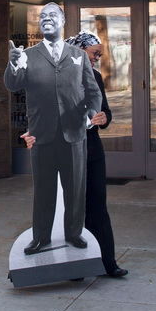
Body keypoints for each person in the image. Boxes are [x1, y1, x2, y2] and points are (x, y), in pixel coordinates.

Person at [4, 3, 100, 255]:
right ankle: (41, 237)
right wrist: (13, 64)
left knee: (75, 187)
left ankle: (74, 233)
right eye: (43, 16)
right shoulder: (29, 55)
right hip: (41, 133)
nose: (47, 19)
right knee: (44, 189)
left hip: (74, 132)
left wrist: (90, 116)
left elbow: (92, 92)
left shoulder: (78, 56)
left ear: (62, 21)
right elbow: (13, 84)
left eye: (52, 16)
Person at [67, 32, 128, 278]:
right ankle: (73, 265)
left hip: (92, 152)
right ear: (78, 51)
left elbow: (106, 112)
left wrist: (104, 119)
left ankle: (107, 263)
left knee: (97, 208)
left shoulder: (95, 77)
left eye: (99, 54)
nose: (98, 58)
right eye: (95, 53)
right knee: (70, 210)